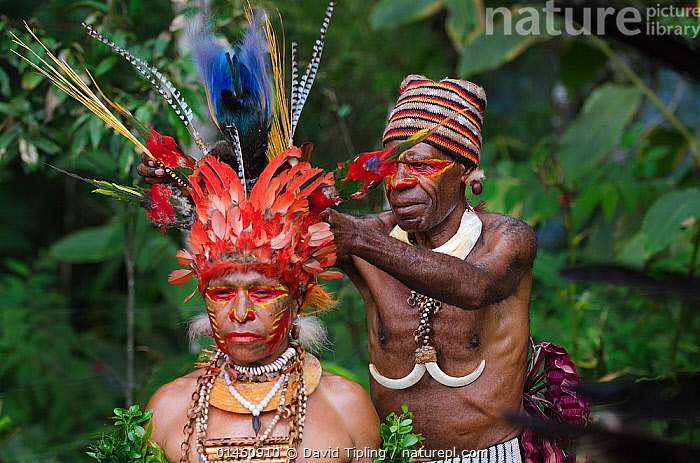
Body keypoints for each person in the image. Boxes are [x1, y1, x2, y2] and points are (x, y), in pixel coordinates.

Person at [326, 75, 537, 461]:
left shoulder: (507, 238)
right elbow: (278, 235)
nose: (400, 182)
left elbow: (476, 287)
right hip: (396, 454)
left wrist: (360, 239)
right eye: (389, 168)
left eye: (422, 166)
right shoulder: (366, 236)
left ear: (465, 170)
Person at [147, 151, 380, 462]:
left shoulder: (347, 406)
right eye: (221, 293)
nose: (240, 312)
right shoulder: (167, 409)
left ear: (297, 300)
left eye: (261, 292)